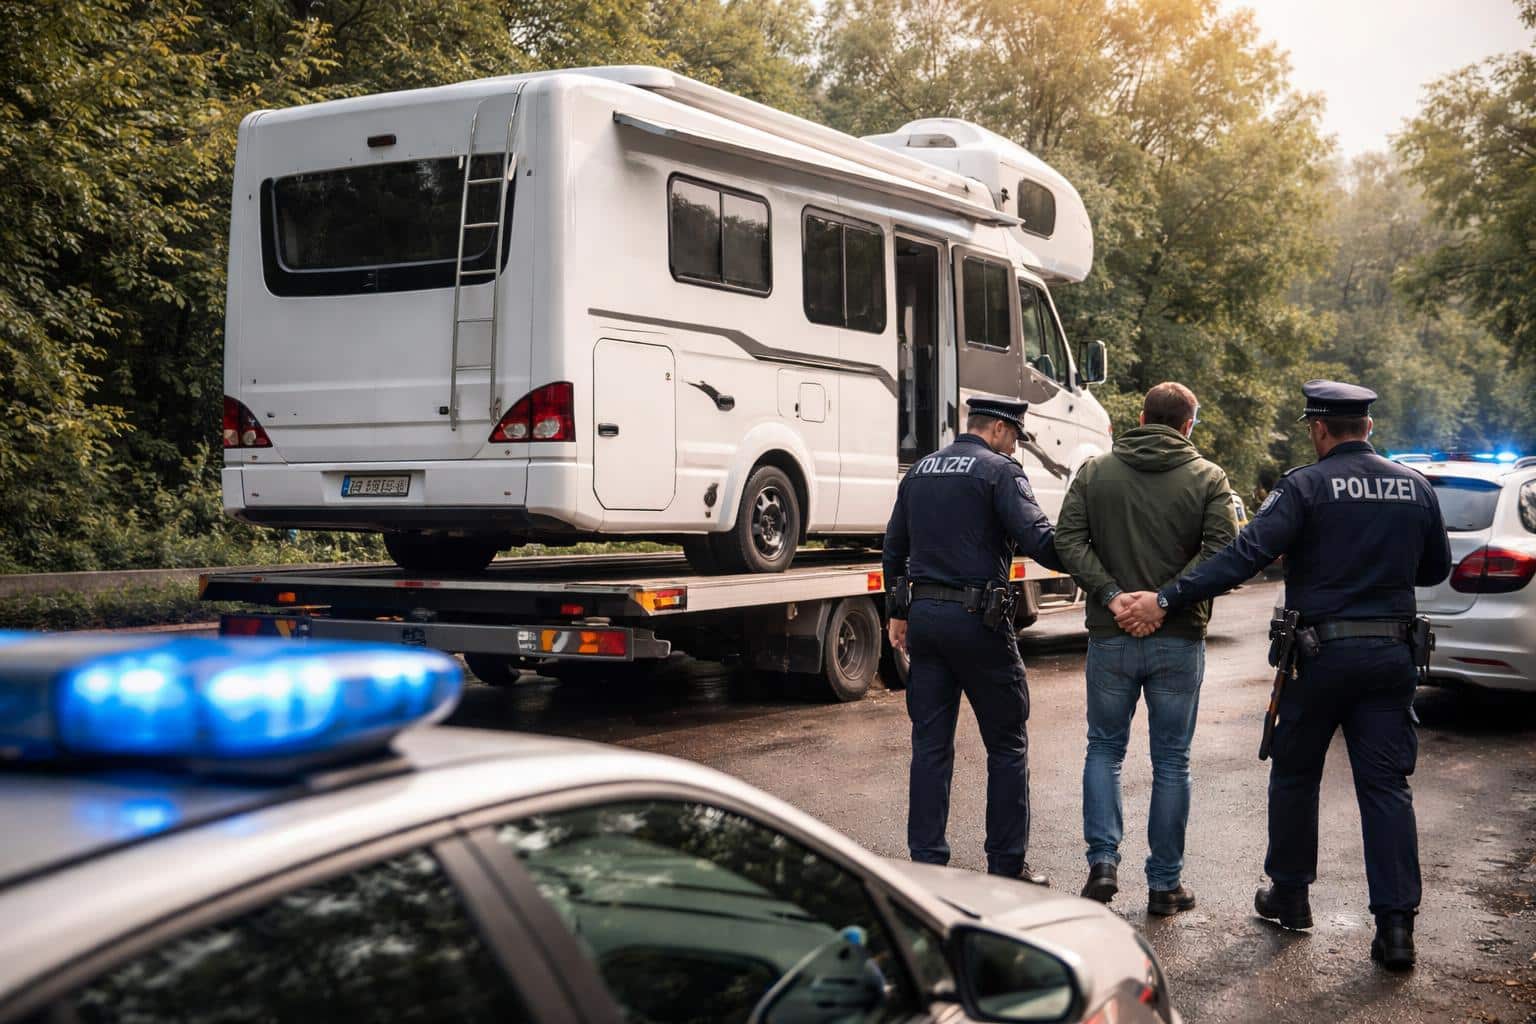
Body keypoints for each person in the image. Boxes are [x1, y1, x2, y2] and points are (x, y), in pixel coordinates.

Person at [1116, 380, 1452, 970]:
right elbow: (1434, 566)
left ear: (1319, 429)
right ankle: (1396, 929)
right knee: (1386, 788)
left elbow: (1243, 556)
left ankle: (1291, 897)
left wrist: (1168, 597)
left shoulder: (1305, 486)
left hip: (1318, 657)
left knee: (1296, 776)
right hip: (1390, 658)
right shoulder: (1415, 487)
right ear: (1367, 428)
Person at [1054, 382, 1237, 915]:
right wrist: (1162, 600)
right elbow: (1225, 550)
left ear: (1140, 417)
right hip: (1177, 637)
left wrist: (1112, 597)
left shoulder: (1095, 471)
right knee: (1172, 762)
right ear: (1188, 425)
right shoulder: (1207, 477)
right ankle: (1164, 885)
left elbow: (1068, 540)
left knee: (1105, 750)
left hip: (1111, 637)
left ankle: (1103, 864)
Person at [882, 395, 1066, 885]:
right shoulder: (1000, 472)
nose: (1016, 448)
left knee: (929, 745)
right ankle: (1006, 867)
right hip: (979, 624)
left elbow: (894, 546)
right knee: (1007, 743)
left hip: (924, 621)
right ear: (1003, 430)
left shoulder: (919, 470)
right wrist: (1088, 547)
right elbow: (1040, 543)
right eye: (1016, 439)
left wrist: (896, 612)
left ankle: (926, 864)